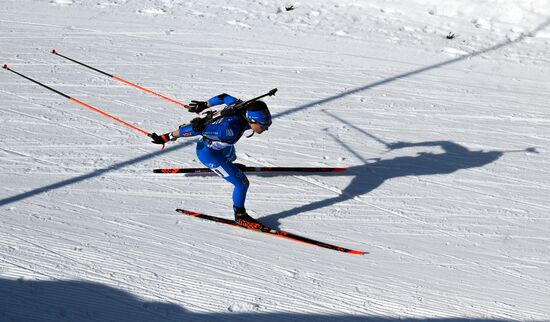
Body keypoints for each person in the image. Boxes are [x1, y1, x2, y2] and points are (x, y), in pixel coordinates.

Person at [149, 93, 272, 227]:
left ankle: (229, 167)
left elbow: (224, 97)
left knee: (231, 156)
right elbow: (197, 129)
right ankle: (240, 215)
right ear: (252, 120)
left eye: (268, 123)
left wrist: (204, 104)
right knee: (242, 183)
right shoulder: (226, 131)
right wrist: (168, 136)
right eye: (264, 124)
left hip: (222, 147)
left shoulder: (242, 108)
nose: (266, 128)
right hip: (209, 154)